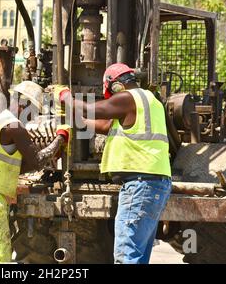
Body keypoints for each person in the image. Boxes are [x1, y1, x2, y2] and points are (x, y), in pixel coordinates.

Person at [55, 63, 172, 264]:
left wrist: (66, 97)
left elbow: (91, 109)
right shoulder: (149, 101)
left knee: (126, 254)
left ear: (116, 86)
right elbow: (104, 125)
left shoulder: (128, 98)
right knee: (137, 255)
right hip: (153, 184)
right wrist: (76, 120)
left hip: (140, 185)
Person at [0, 81, 69, 264]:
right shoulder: (14, 127)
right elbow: (36, 160)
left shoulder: (1, 121)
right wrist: (60, 138)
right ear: (24, 104)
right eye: (35, 110)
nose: (35, 116)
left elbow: (19, 166)